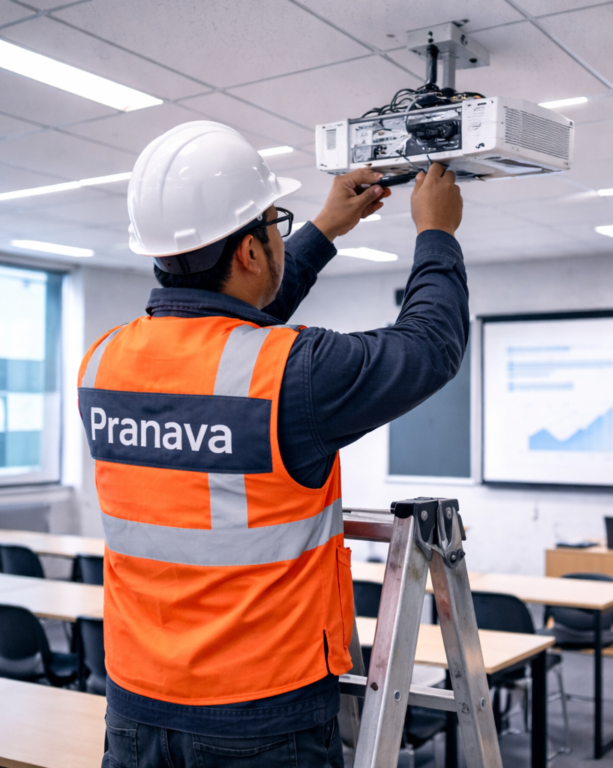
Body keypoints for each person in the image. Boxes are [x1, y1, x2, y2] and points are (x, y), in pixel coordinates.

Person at [78, 121, 467, 767]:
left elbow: (224, 327)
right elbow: (430, 347)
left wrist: (323, 229)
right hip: (262, 709)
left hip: (135, 698)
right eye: (274, 224)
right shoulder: (293, 372)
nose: (282, 237)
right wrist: (437, 233)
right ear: (252, 253)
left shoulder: (103, 360)